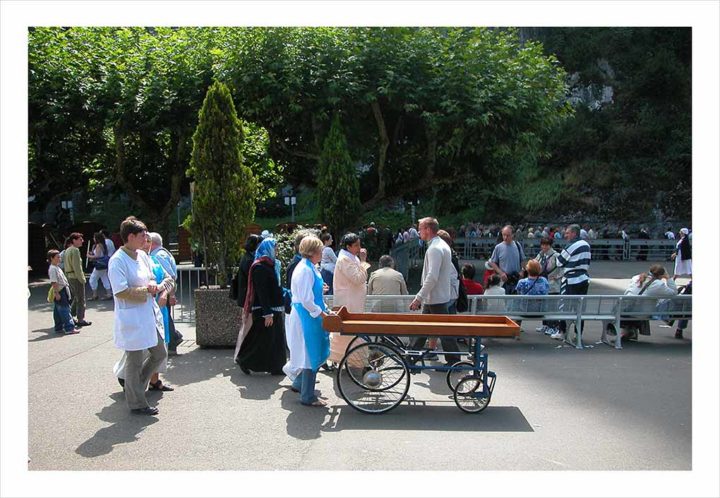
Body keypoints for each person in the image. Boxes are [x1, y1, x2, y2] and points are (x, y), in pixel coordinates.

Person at [108, 217, 170, 416]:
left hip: (148, 315)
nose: (146, 239)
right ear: (130, 236)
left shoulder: (142, 256)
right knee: (134, 362)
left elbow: (151, 275)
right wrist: (146, 290)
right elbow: (120, 291)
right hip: (132, 319)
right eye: (142, 235)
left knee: (159, 353)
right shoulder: (117, 260)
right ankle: (136, 402)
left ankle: (134, 387)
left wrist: (153, 284)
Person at [115, 233, 176, 391]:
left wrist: (163, 293)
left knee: (159, 348)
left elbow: (168, 280)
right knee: (139, 353)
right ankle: (129, 381)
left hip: (157, 310)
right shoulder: (126, 260)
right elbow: (122, 290)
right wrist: (148, 290)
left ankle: (152, 381)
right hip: (140, 312)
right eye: (144, 239)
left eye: (149, 240)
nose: (146, 243)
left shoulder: (153, 260)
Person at [283, 236, 333, 407]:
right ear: (313, 252)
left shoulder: (309, 267)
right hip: (306, 317)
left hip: (308, 315)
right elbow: (306, 300)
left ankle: (300, 385)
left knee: (310, 354)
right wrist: (322, 313)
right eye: (320, 250)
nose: (322, 252)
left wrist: (324, 308)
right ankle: (307, 396)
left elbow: (312, 294)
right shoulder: (305, 269)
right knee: (310, 354)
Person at [408, 217, 461, 366]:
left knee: (441, 331)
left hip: (435, 296)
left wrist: (419, 297)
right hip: (438, 296)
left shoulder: (435, 248)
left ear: (428, 229)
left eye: (420, 229)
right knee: (425, 329)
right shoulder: (441, 245)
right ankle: (411, 356)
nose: (418, 231)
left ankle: (454, 360)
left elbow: (432, 277)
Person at [236, 238, 287, 375]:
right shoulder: (259, 267)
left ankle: (277, 367)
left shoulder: (270, 265)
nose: (276, 251)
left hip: (273, 308)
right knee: (261, 340)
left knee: (274, 340)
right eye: (275, 248)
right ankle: (244, 359)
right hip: (265, 310)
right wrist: (267, 313)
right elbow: (262, 292)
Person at [329, 232, 370, 364]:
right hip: (348, 302)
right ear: (348, 246)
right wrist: (364, 262)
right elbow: (358, 279)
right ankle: (353, 359)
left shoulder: (351, 257)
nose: (359, 248)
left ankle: (349, 359)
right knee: (348, 332)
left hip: (353, 301)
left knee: (350, 333)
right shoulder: (345, 259)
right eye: (356, 245)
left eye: (359, 244)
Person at [607, 265, 677, 341]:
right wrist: (668, 278)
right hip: (640, 314)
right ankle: (630, 332)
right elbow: (673, 293)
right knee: (646, 307)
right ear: (661, 275)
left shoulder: (636, 277)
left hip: (623, 310)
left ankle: (629, 332)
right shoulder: (658, 285)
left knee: (640, 304)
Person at [550, 224, 591, 341]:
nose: (565, 235)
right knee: (580, 308)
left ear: (574, 233)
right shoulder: (586, 245)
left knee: (564, 306)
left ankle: (562, 331)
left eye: (567, 233)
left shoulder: (572, 245)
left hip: (571, 279)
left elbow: (559, 262)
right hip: (584, 278)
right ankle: (578, 334)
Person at [149, 232, 182, 354]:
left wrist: (170, 294)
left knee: (164, 317)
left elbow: (170, 276)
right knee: (166, 317)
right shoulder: (162, 253)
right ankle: (173, 339)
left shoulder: (158, 255)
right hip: (164, 291)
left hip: (163, 292)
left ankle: (172, 342)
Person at [47, 249, 81, 334]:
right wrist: (56, 293)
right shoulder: (52, 269)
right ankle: (69, 328)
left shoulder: (56, 267)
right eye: (57, 257)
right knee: (65, 309)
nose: (59, 258)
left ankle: (58, 327)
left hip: (63, 289)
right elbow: (54, 282)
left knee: (58, 310)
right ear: (52, 258)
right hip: (60, 290)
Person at [63, 232, 91, 327]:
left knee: (75, 297)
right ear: (74, 240)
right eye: (80, 239)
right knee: (81, 299)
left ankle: (69, 316)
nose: (82, 241)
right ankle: (80, 319)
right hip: (75, 277)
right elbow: (77, 267)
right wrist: (82, 279)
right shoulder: (75, 250)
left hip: (70, 276)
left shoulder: (67, 250)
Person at [534, 238, 561, 335]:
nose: (544, 247)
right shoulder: (541, 255)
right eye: (543, 244)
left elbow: (562, 268)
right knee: (543, 306)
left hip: (553, 285)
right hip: (542, 284)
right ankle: (545, 325)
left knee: (552, 307)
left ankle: (553, 326)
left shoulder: (556, 255)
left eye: (546, 245)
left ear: (550, 245)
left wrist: (558, 277)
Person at [488, 225, 526, 295]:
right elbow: (492, 262)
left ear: (513, 235)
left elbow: (523, 260)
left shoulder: (518, 245)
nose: (505, 237)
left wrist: (522, 271)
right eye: (503, 235)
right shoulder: (498, 247)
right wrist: (501, 273)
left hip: (516, 279)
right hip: (504, 280)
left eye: (508, 235)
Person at [87, 232, 113, 300]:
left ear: (97, 238)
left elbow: (97, 256)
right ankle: (109, 293)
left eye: (94, 237)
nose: (93, 239)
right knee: (104, 278)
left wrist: (89, 255)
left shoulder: (98, 245)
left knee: (92, 279)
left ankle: (95, 294)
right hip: (104, 264)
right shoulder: (103, 245)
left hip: (99, 264)